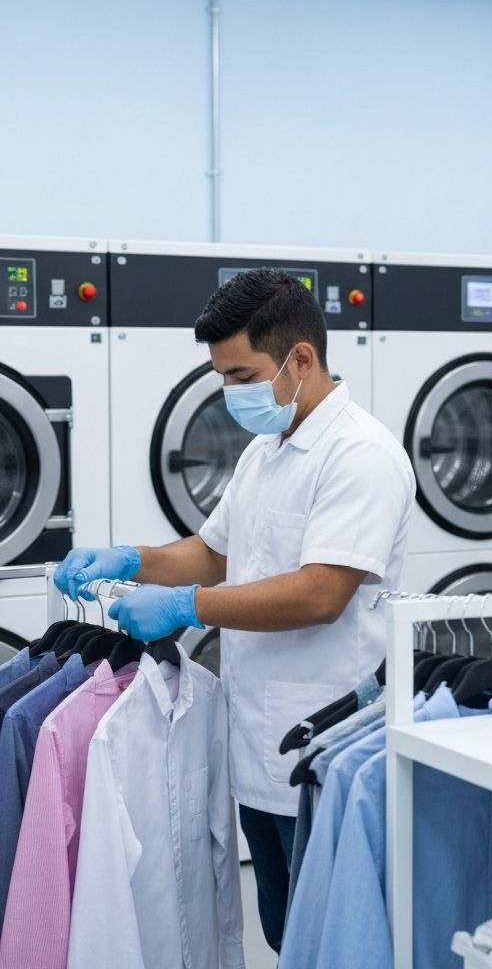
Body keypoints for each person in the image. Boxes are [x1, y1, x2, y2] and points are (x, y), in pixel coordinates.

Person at [54, 268, 415, 954]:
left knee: (335, 943)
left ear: (300, 358)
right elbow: (216, 553)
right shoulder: (265, 451)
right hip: (256, 749)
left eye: (242, 374)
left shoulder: (360, 455)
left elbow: (320, 592)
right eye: (223, 376)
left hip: (324, 752)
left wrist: (186, 607)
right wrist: (129, 558)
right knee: (284, 931)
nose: (231, 392)